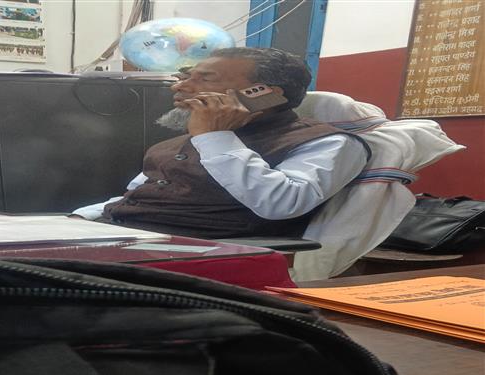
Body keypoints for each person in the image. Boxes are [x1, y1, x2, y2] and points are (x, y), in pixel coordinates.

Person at [72, 47, 370, 239]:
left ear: (262, 93)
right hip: (120, 235)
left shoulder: (327, 142)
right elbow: (136, 195)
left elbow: (281, 204)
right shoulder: (185, 140)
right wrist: (78, 219)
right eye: (185, 76)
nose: (180, 86)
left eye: (205, 79)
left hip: (199, 252)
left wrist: (214, 137)